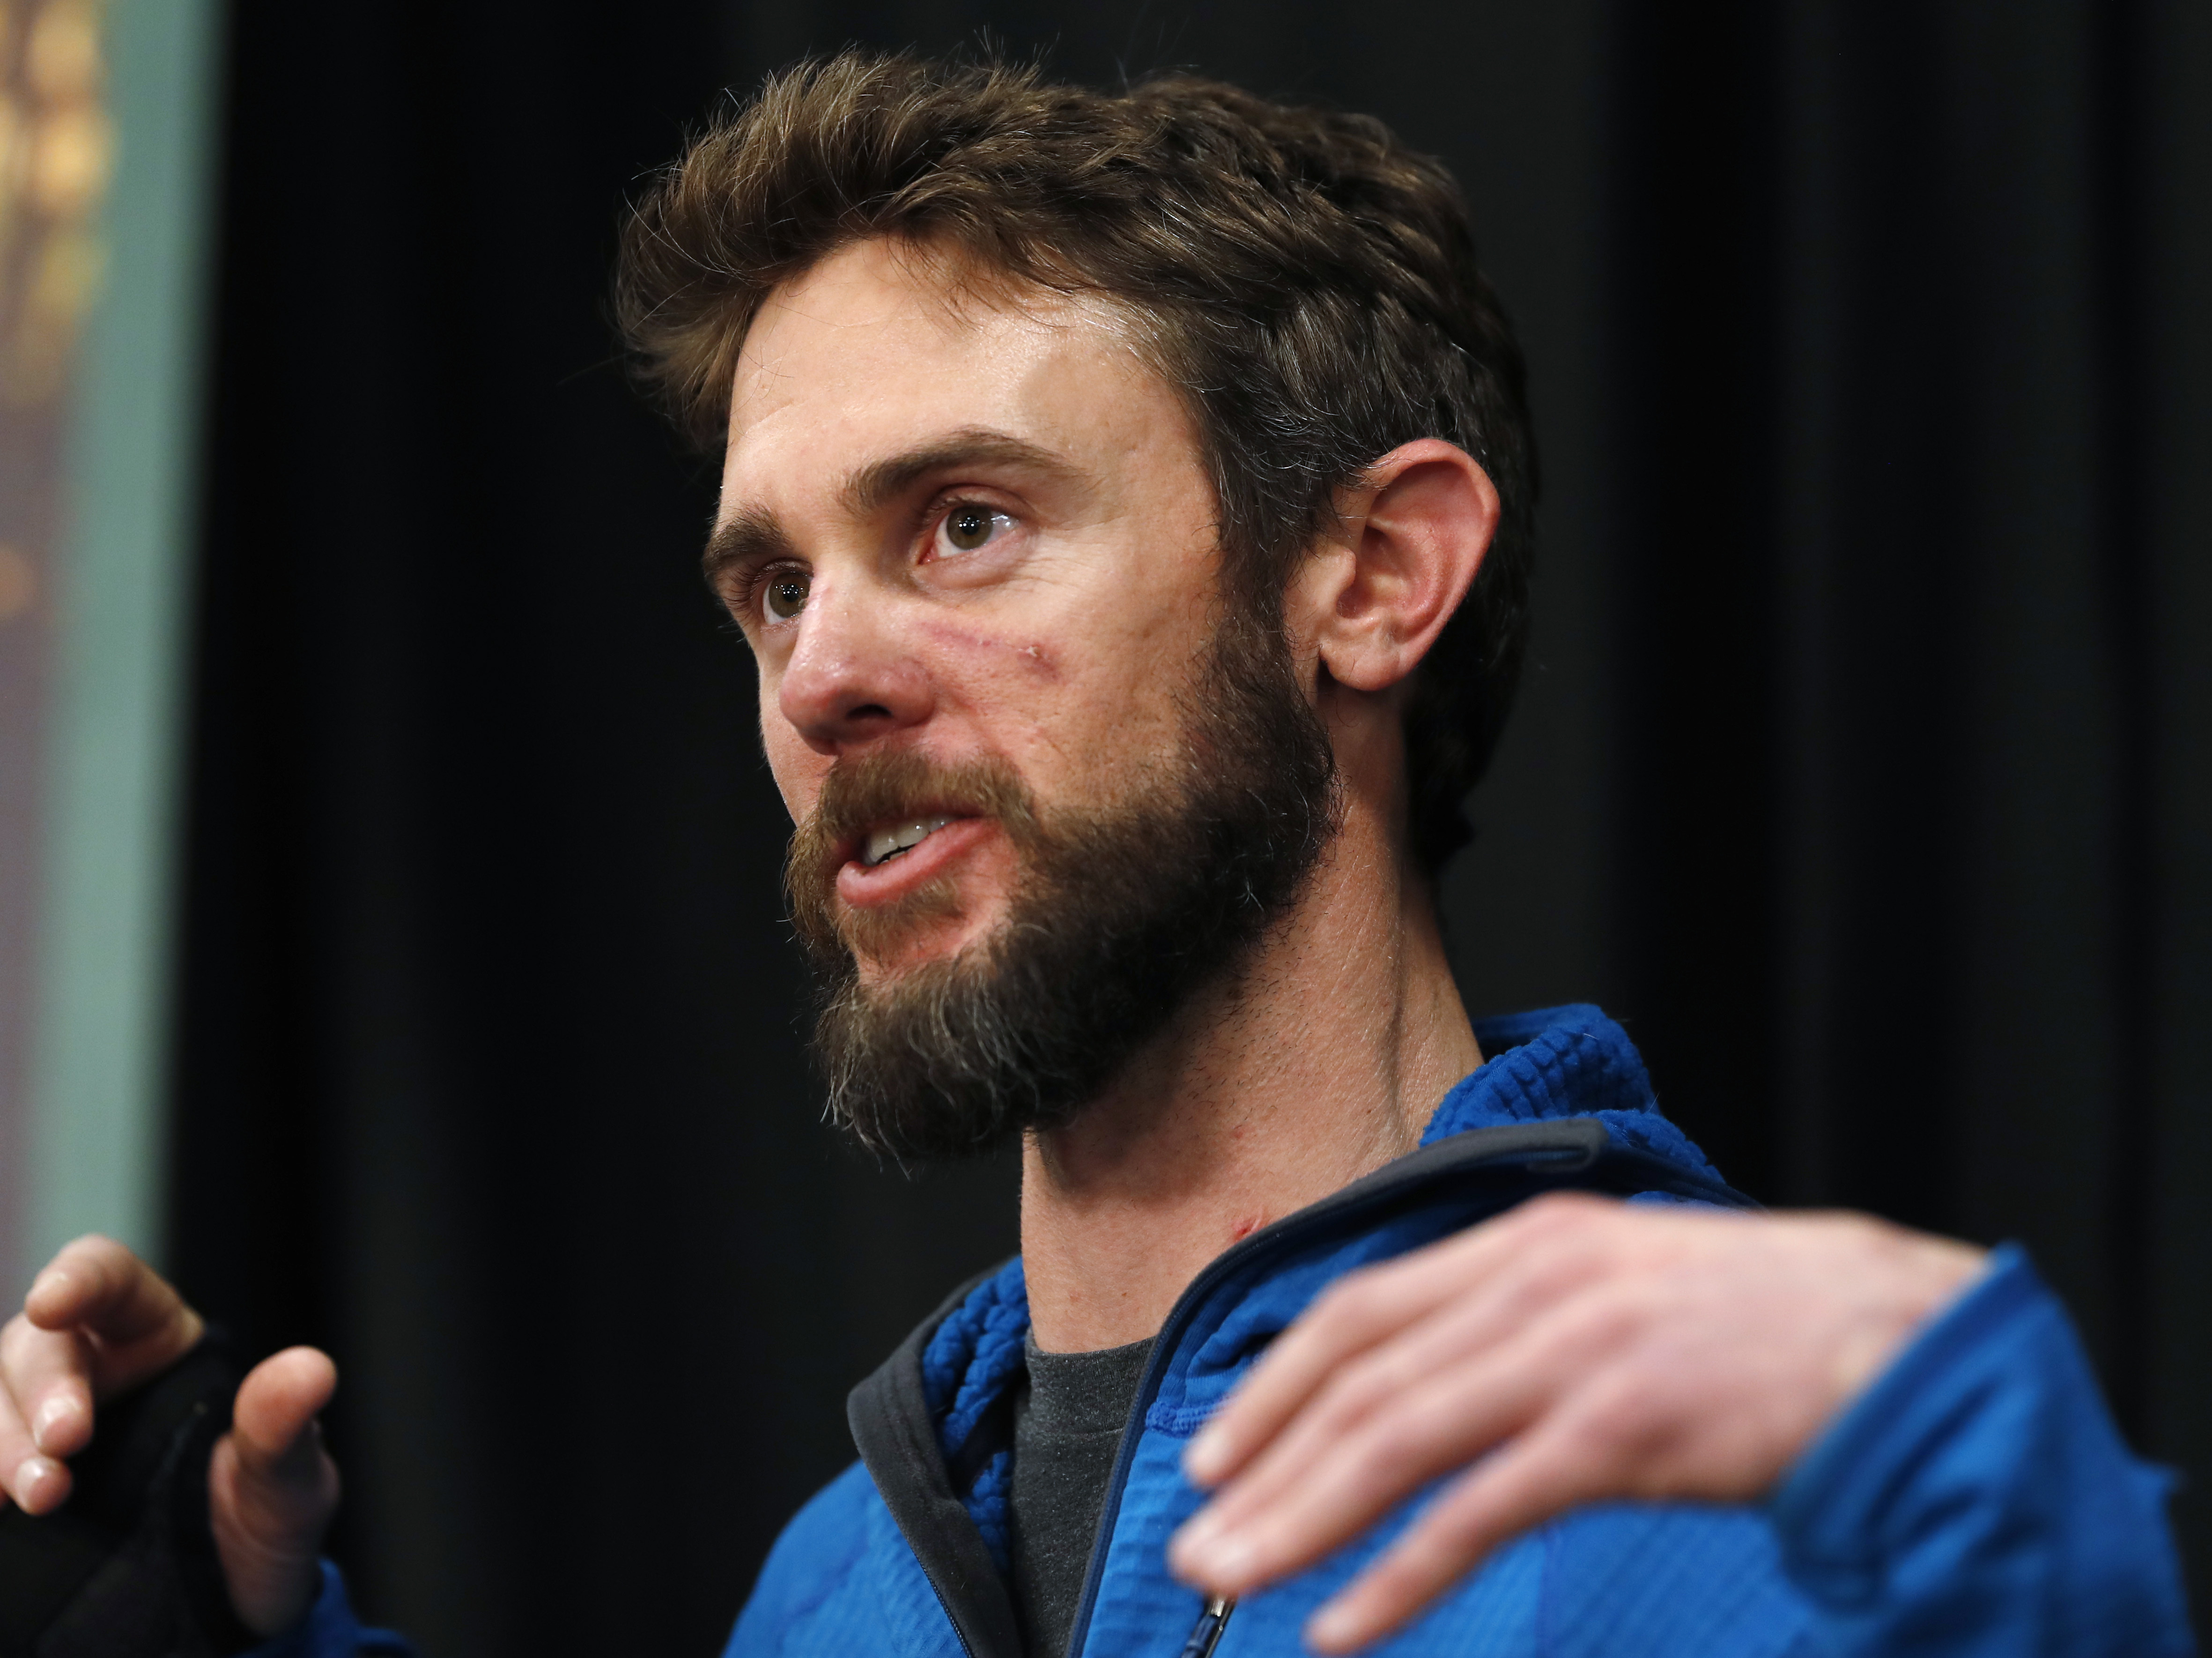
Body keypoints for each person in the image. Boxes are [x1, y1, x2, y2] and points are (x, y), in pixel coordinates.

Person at [0, 50, 2193, 1658]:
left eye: (962, 525)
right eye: (769, 586)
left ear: (1370, 577)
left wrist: (1988, 1515)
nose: (819, 677)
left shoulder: (1777, 1506)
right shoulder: (834, 1585)